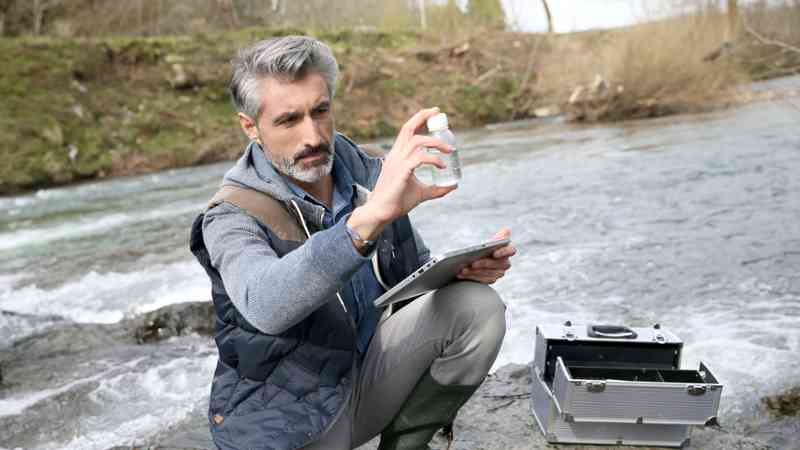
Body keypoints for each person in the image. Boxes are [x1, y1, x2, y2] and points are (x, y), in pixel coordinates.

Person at [189, 35, 516, 450]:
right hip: (289, 424)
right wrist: (366, 221)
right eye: (289, 120)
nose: (312, 136)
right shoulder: (230, 216)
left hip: (366, 382)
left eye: (320, 111)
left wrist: (463, 272)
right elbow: (265, 305)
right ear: (250, 126)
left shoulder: (363, 172)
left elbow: (410, 282)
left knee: (475, 306)